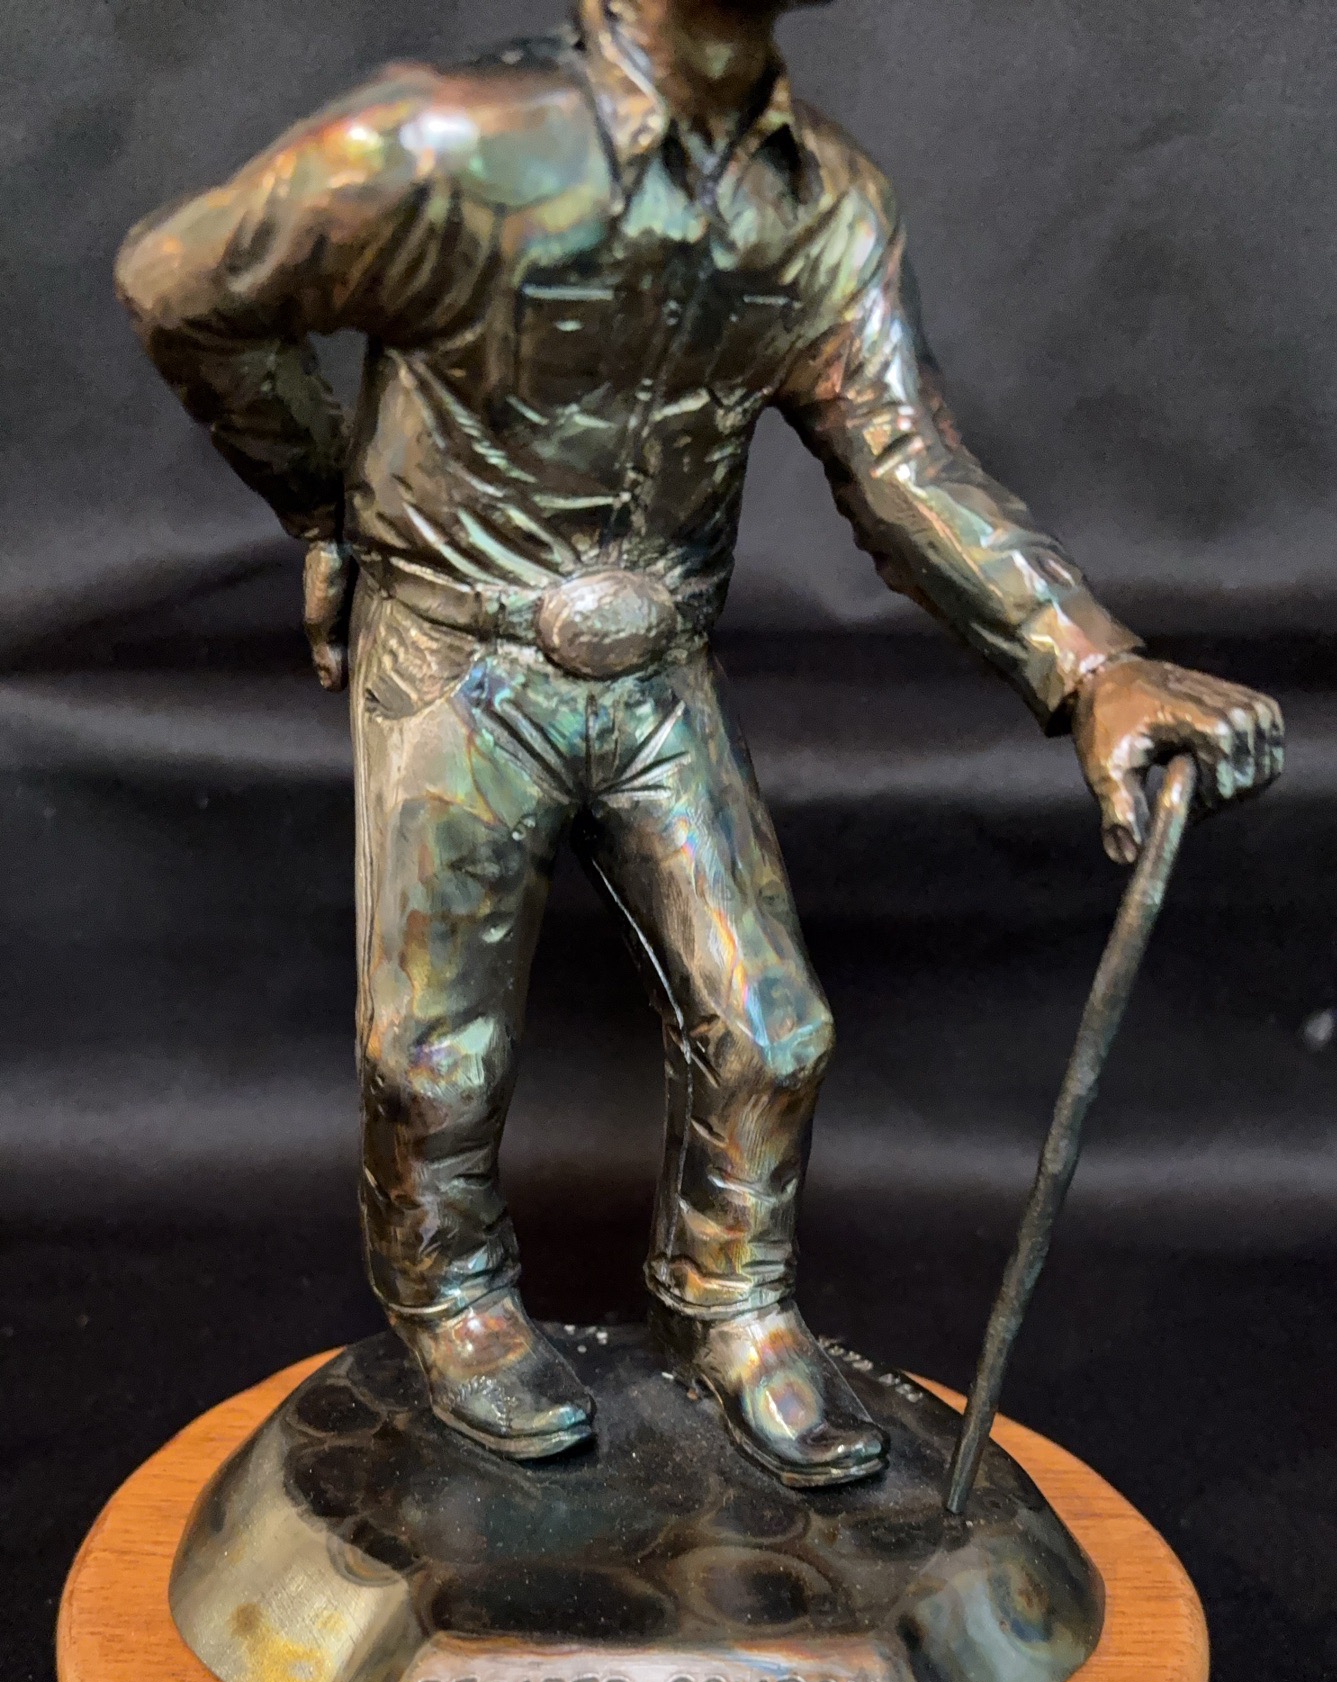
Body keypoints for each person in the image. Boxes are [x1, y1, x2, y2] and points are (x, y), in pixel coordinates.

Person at [117, 0, 1282, 1486]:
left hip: (658, 670)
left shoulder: (824, 205)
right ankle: (451, 1298)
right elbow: (180, 288)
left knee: (772, 1029)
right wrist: (323, 498)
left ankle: (731, 1308)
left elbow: (898, 456)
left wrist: (1090, 663)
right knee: (431, 1057)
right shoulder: (442, 146)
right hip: (458, 659)